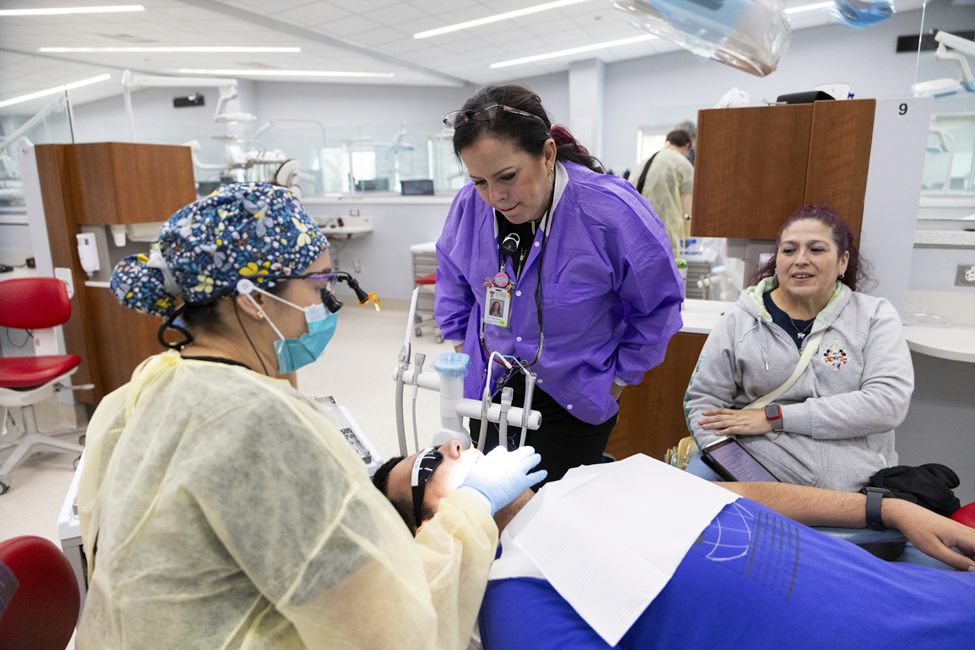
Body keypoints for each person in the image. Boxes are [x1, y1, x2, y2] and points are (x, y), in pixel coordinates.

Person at [75, 182, 545, 650]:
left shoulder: (137, 391)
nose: (329, 302)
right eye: (319, 284)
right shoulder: (264, 423)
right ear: (254, 299)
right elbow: (392, 629)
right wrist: (471, 508)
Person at [374, 446, 975, 650]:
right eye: (429, 466)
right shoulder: (516, 599)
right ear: (428, 529)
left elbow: (738, 495)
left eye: (441, 443)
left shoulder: (589, 478)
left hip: (932, 595)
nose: (452, 447)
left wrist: (887, 509)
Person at [435, 85, 683, 485]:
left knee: (554, 507)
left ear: (547, 154)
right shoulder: (470, 206)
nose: (496, 196)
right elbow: (452, 280)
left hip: (574, 396)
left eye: (507, 176)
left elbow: (659, 305)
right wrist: (462, 351)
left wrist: (617, 381)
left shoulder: (610, 211)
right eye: (479, 180)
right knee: (492, 499)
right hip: (490, 384)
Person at [684, 205, 914, 493]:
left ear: (842, 261)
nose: (801, 260)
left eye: (816, 249)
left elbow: (887, 404)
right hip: (755, 471)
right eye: (789, 250)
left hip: (851, 485)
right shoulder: (738, 321)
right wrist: (736, 468)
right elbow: (703, 402)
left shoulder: (874, 317)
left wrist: (774, 418)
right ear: (777, 260)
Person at [630, 129, 695, 257]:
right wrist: (688, 237)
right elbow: (687, 208)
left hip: (634, 231)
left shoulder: (643, 162)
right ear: (687, 146)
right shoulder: (684, 164)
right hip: (664, 233)